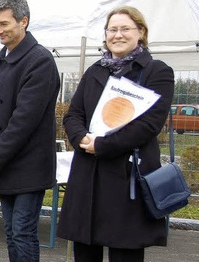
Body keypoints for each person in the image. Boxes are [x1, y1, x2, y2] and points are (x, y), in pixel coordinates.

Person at [57, 6, 173, 261]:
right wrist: (80, 138)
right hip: (88, 177)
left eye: (125, 29)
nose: (117, 35)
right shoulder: (95, 70)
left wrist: (103, 145)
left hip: (126, 178)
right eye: (112, 29)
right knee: (85, 252)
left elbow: (149, 125)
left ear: (140, 32)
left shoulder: (157, 72)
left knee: (125, 253)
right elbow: (73, 114)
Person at [0, 0, 60, 261]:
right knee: (11, 231)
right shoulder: (4, 59)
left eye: (4, 23)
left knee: (23, 232)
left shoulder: (40, 62)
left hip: (29, 164)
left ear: (23, 21)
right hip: (7, 163)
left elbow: (24, 120)